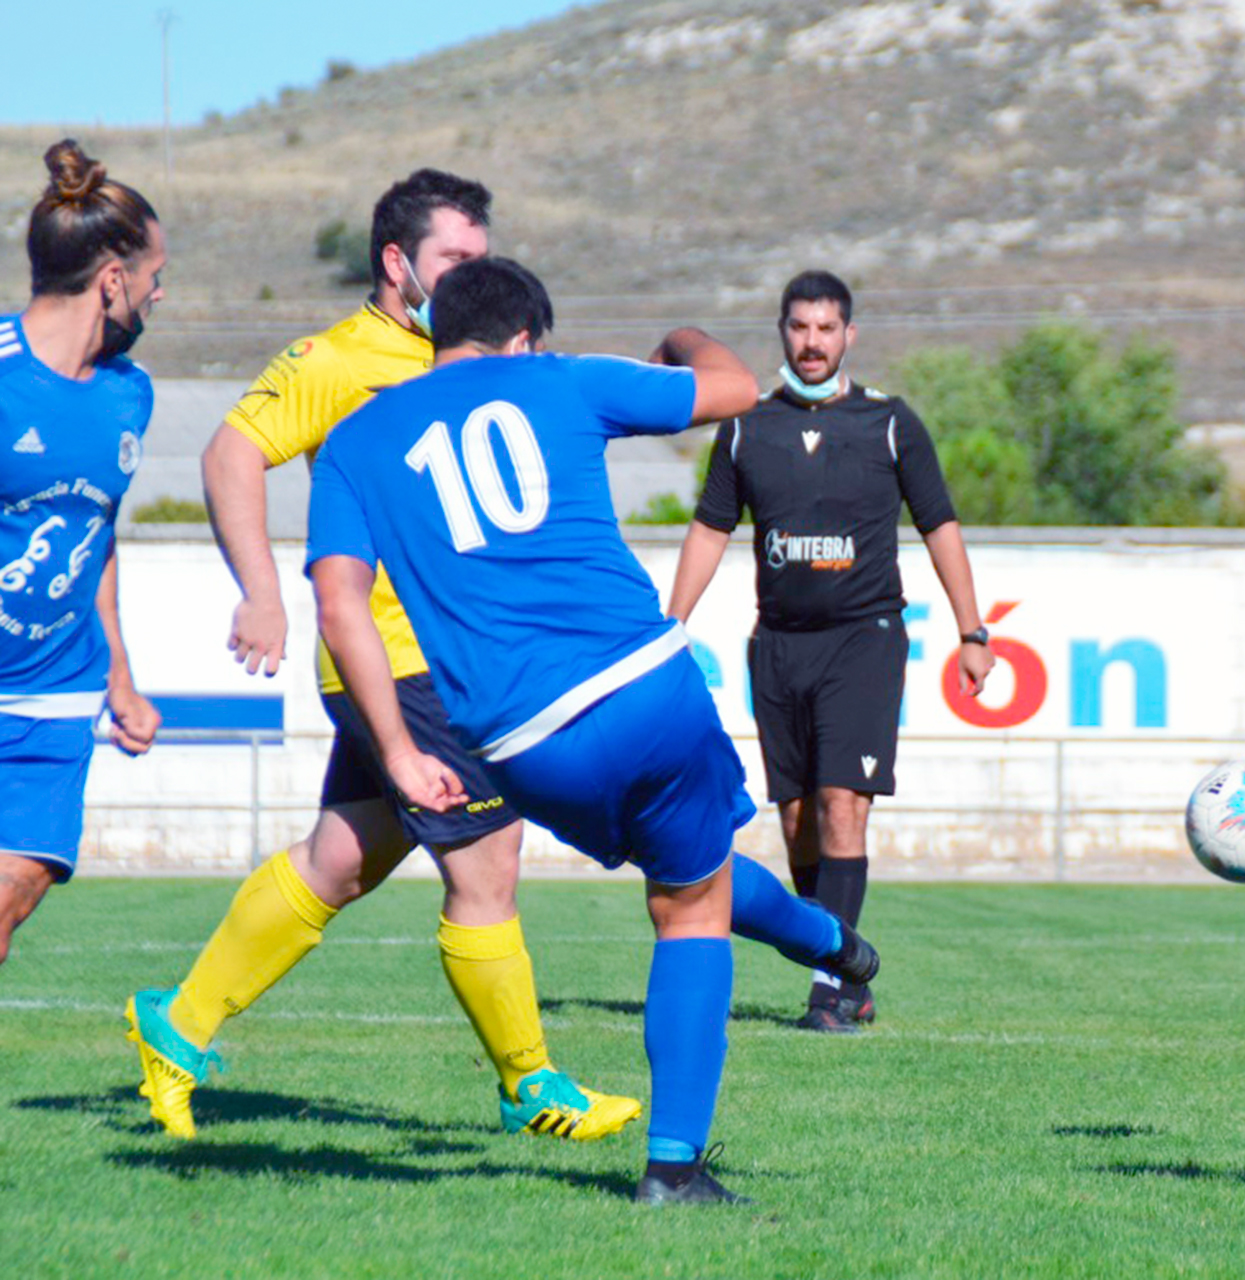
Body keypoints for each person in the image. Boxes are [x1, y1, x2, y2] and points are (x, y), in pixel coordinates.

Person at [306, 257, 877, 1205]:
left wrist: (400, 752)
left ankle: (830, 942)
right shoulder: (560, 379)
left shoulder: (353, 442)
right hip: (640, 686)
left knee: (688, 870)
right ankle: (675, 1166)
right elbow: (738, 387)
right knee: (691, 903)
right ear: (525, 336)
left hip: (515, 744)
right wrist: (681, 338)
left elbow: (339, 606)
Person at [126, 171, 637, 1145]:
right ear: (398, 263)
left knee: (339, 860)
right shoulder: (336, 361)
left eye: (483, 259)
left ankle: (177, 1027)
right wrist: (261, 589)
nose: (474, 274)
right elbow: (230, 454)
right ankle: (530, 1082)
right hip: (401, 659)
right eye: (455, 258)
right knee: (487, 863)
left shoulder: (490, 360)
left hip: (455, 657)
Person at [668, 269, 993, 1033]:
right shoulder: (747, 426)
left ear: (849, 335)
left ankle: (833, 986)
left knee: (844, 805)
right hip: (779, 645)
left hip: (864, 639)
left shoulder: (890, 423)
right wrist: (671, 624)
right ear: (783, 332)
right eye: (799, 327)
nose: (812, 342)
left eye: (826, 328)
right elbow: (710, 530)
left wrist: (972, 631)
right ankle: (842, 964)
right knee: (798, 823)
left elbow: (940, 526)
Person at [0, 140, 165, 964]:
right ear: (111, 281)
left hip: (56, 694)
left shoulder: (130, 393)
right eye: (154, 275)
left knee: (12, 894)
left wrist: (120, 676)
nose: (159, 292)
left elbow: (96, 535)